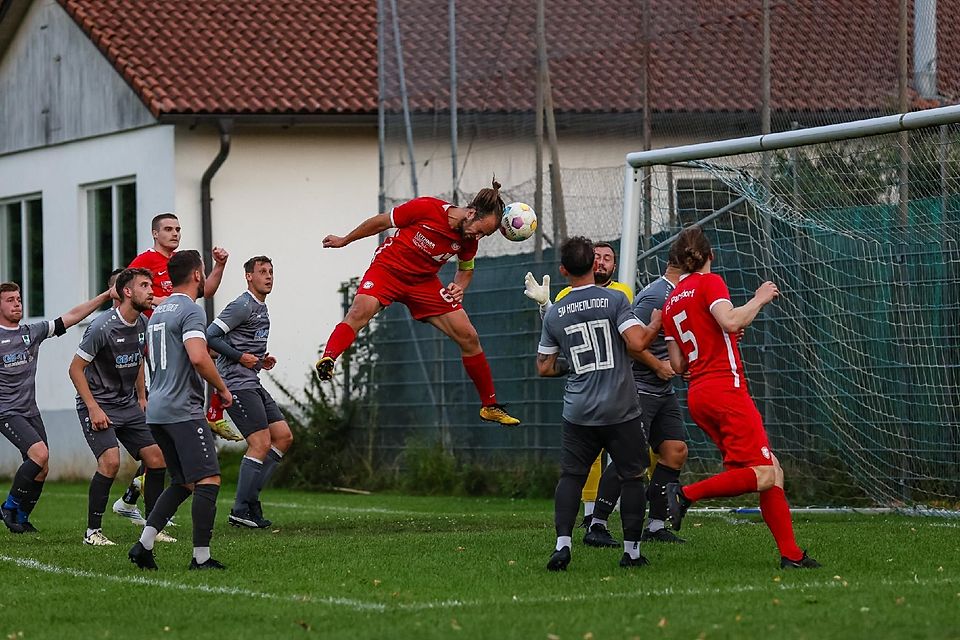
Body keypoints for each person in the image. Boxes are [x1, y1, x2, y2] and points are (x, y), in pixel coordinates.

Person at [660, 226, 820, 570]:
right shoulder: (710, 282)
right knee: (763, 473)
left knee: (770, 470)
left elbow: (677, 364)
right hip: (724, 390)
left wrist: (722, 336)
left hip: (699, 396)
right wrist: (760, 297)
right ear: (710, 256)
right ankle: (684, 494)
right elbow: (731, 321)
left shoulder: (671, 301)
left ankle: (791, 555)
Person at [316, 179, 520, 426]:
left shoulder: (469, 240)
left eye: (483, 235)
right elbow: (381, 222)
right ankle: (328, 358)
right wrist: (344, 240)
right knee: (361, 310)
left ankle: (489, 406)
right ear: (471, 212)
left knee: (469, 336)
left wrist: (460, 287)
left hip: (423, 283)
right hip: (388, 269)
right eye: (480, 230)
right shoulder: (427, 208)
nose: (478, 237)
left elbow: (466, 268)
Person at [536, 236, 661, 571]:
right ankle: (632, 552)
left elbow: (545, 367)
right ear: (594, 264)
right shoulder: (615, 299)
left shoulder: (555, 313)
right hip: (620, 408)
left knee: (571, 477)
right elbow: (636, 343)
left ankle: (563, 545)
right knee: (633, 475)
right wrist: (655, 324)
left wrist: (571, 365)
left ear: (563, 270)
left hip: (578, 411)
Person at [115, 213, 234, 523]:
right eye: (168, 229)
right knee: (194, 470)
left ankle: (137, 507)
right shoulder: (146, 260)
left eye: (178, 228)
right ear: (154, 233)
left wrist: (219, 266)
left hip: (175, 343)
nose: (175, 233)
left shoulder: (182, 265)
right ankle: (197, 550)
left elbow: (204, 291)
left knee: (169, 456)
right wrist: (159, 307)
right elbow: (125, 290)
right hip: (161, 339)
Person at [128, 250, 233, 571]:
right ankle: (201, 558)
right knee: (209, 479)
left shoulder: (158, 311)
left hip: (157, 410)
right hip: (181, 410)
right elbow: (199, 356)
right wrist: (222, 388)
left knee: (183, 482)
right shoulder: (190, 311)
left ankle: (143, 545)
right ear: (198, 275)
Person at [524, 242, 634, 536]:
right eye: (597, 257)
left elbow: (552, 347)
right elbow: (559, 330)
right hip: (601, 391)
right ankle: (603, 527)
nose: (601, 262)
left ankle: (569, 538)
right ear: (589, 263)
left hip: (607, 387)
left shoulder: (622, 293)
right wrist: (544, 306)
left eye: (608, 258)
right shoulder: (576, 298)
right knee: (607, 463)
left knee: (602, 465)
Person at [67, 268, 174, 546]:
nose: (151, 291)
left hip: (127, 404)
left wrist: (142, 397)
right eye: (144, 285)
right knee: (111, 462)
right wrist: (93, 408)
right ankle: (92, 532)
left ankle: (152, 529)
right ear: (127, 292)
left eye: (151, 285)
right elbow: (76, 369)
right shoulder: (101, 327)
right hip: (98, 404)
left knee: (157, 458)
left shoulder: (141, 324)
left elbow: (137, 359)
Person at [588, 254, 690, 545]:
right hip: (639, 388)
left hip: (664, 391)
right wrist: (658, 366)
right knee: (629, 456)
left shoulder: (683, 293)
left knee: (675, 450)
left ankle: (656, 525)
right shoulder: (654, 295)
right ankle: (597, 524)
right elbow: (630, 343)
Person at [0, 283, 112, 534]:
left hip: (30, 410)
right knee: (39, 455)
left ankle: (20, 517)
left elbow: (70, 318)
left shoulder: (31, 332)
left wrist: (105, 296)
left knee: (42, 468)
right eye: (10, 300)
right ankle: (8, 506)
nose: (17, 303)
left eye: (18, 298)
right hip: (6, 412)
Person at [206, 256, 293, 529]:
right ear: (248, 277)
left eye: (271, 272)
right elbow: (210, 336)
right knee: (260, 443)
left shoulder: (261, 307)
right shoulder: (242, 305)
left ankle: (250, 501)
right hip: (236, 383)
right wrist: (240, 357)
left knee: (283, 437)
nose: (268, 276)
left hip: (251, 380)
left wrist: (258, 360)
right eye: (262, 272)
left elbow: (246, 345)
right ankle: (241, 509)